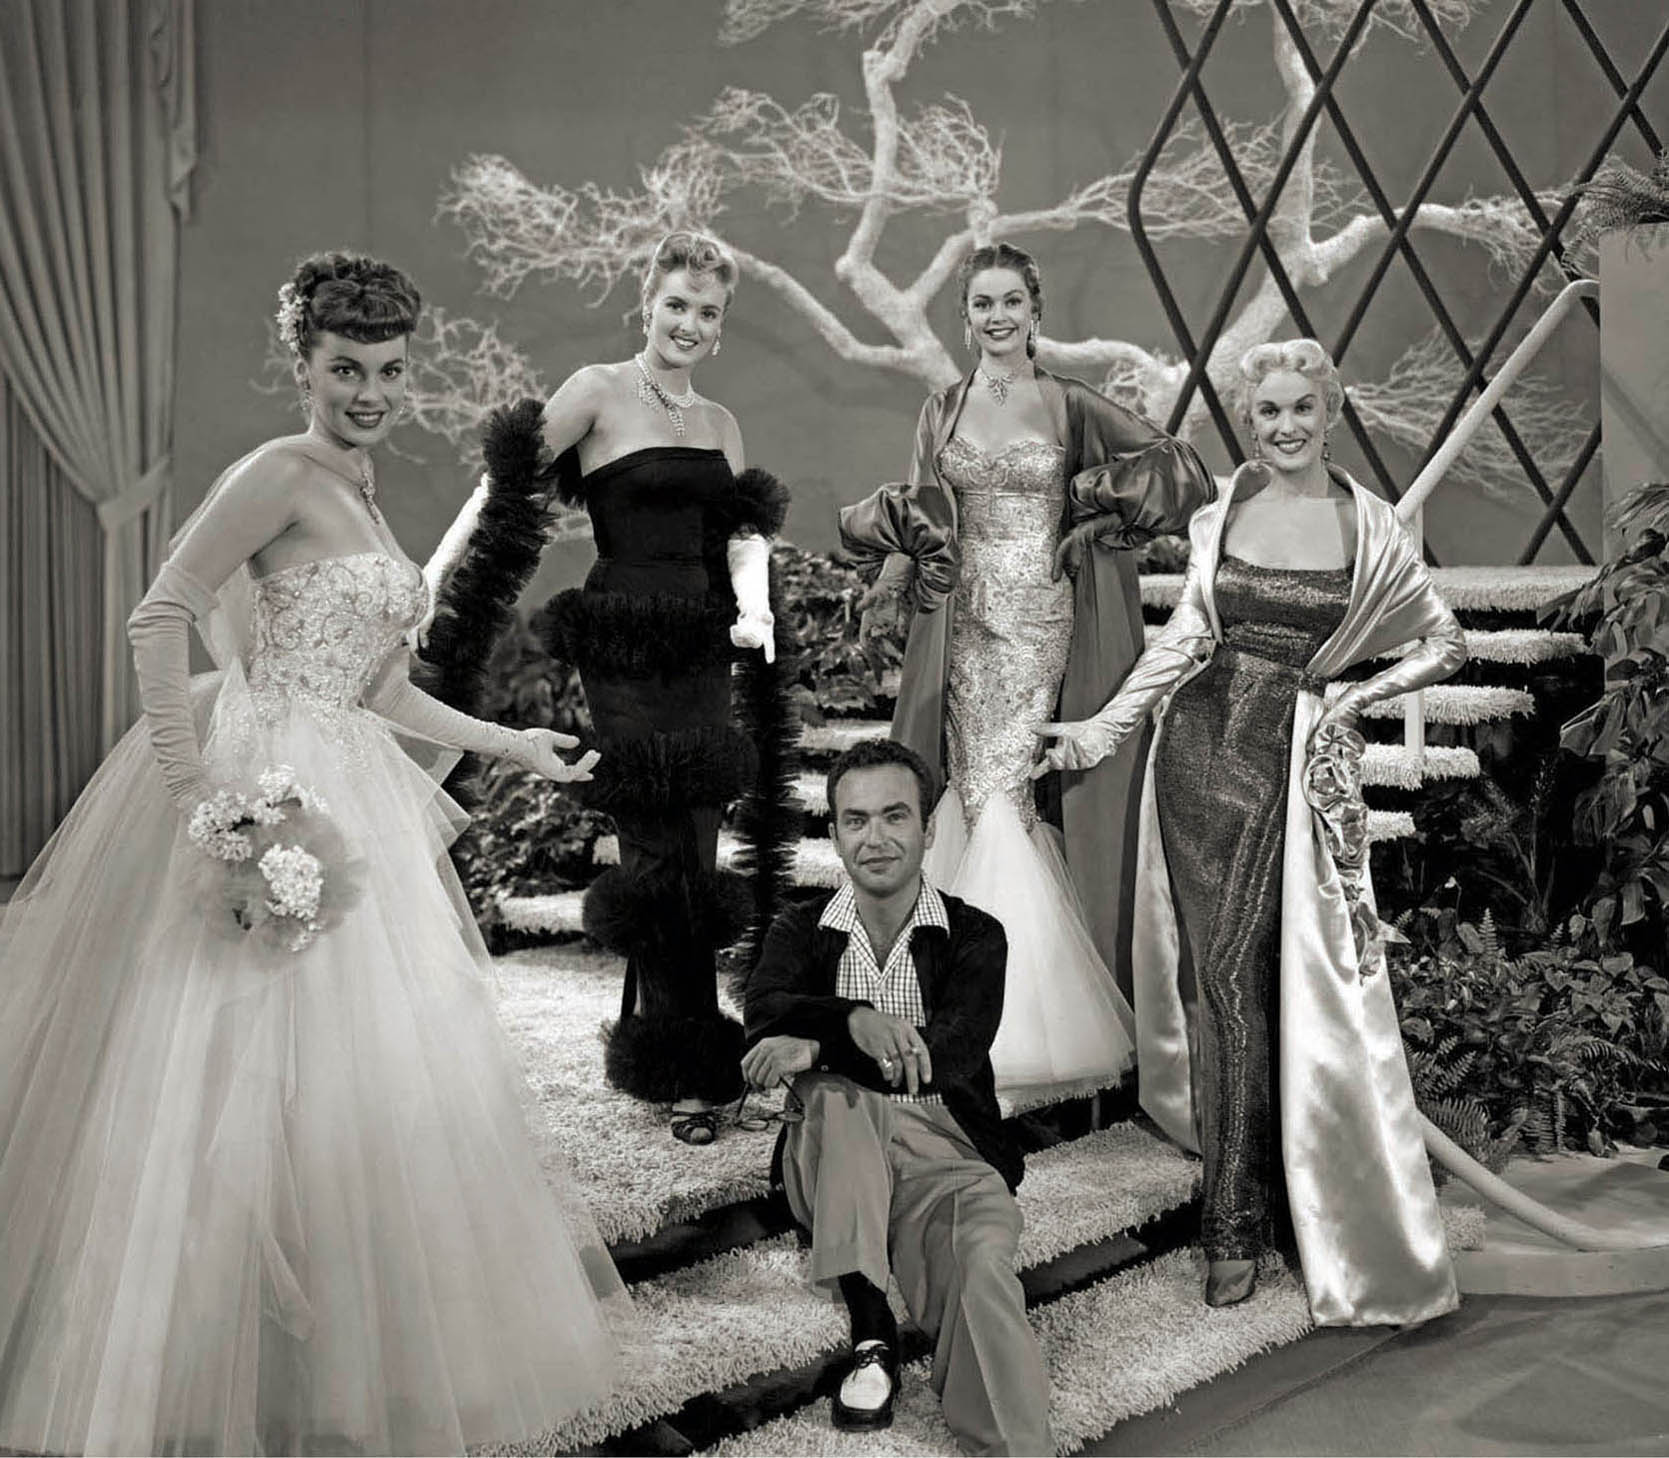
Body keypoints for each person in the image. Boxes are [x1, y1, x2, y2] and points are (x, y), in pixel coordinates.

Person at [0, 253, 628, 1455]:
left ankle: (333, 1366)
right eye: (348, 368)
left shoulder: (362, 477)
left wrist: (514, 744)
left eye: (391, 369)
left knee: (363, 1088)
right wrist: (202, 800)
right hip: (270, 791)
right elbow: (160, 610)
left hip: (350, 787)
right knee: (230, 1083)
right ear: (306, 366)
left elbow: (376, 683)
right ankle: (201, 1374)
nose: (372, 390)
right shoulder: (277, 471)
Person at [1036, 338, 1465, 1323]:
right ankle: (1244, 1198)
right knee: (1212, 981)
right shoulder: (1220, 512)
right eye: (1265, 411)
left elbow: (1443, 642)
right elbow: (1188, 638)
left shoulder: (1372, 527)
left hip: (1288, 757)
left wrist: (1353, 701)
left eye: (1298, 410)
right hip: (1194, 749)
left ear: (1330, 411)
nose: (1281, 427)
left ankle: (1236, 1218)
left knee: (1244, 979)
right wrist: (1104, 728)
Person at [418, 230, 791, 1144]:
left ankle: (669, 1039)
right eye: (676, 305)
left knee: (695, 841)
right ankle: (690, 1069)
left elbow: (742, 539)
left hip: (703, 641)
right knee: (656, 840)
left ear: (721, 326)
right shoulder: (595, 389)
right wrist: (433, 576)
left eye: (708, 312)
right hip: (623, 636)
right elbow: (502, 491)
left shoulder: (721, 425)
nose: (689, 323)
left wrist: (757, 610)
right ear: (646, 305)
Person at [839, 241, 1215, 1093]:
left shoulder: (1069, 401)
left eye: (1011, 302)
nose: (996, 317)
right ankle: (947, 1002)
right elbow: (923, 512)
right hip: (962, 626)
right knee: (968, 797)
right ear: (965, 316)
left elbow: (1177, 468)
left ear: (1035, 313)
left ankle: (1005, 1029)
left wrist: (1095, 520)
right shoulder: (941, 407)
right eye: (981, 304)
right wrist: (891, 583)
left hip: (1042, 623)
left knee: (1004, 798)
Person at [742, 738, 1055, 1456]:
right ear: (834, 834)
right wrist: (850, 1018)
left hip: (949, 1150)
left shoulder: (975, 936)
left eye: (893, 817)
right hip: (831, 1152)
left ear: (926, 829)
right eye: (854, 821)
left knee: (979, 1270)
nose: (874, 838)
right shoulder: (800, 929)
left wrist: (820, 1042)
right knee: (835, 1097)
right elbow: (763, 1014)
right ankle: (871, 1327)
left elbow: (948, 1055)